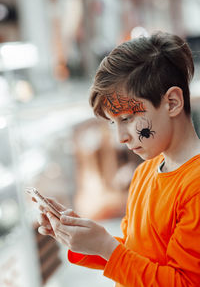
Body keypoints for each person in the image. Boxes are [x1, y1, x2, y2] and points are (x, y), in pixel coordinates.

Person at [37, 32, 200, 286]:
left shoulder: (196, 188)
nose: (120, 137)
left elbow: (184, 283)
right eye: (114, 123)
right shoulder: (145, 173)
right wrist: (84, 238)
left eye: (127, 119)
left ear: (172, 102)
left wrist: (105, 247)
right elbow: (137, 256)